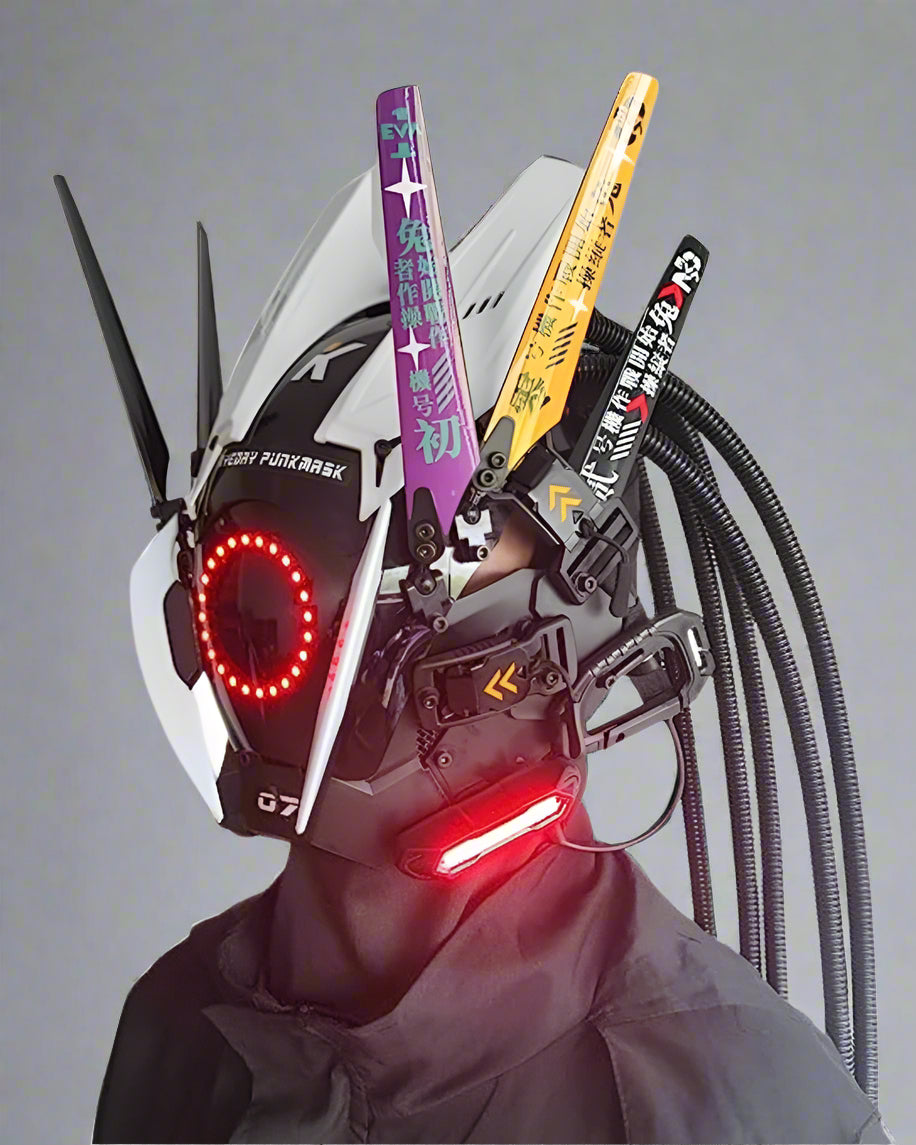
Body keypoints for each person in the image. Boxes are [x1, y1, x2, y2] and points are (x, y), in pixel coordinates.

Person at [56, 82, 894, 1143]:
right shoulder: (180, 1032)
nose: (271, 630)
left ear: (570, 622)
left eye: (437, 557)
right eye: (250, 589)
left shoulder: (733, 1099)